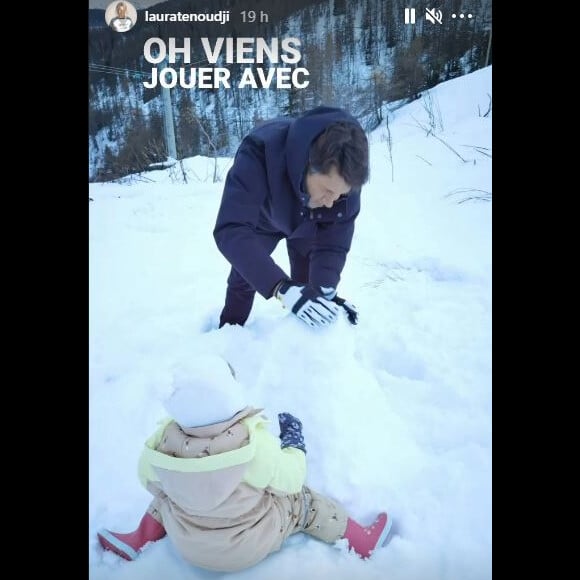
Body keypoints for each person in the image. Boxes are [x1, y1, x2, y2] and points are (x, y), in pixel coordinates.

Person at [97, 355, 393, 571]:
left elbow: (148, 481)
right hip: (250, 545)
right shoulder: (252, 444)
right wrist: (294, 444)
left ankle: (139, 538)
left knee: (168, 497)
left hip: (188, 544)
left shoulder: (162, 444)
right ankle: (361, 541)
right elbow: (290, 479)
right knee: (302, 500)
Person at [213, 106, 367, 329]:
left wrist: (325, 293)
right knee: (245, 277)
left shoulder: (345, 177)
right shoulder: (258, 152)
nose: (332, 202)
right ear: (309, 165)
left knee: (308, 294)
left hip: (310, 220)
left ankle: (300, 350)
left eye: (340, 194)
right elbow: (231, 229)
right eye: (327, 190)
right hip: (263, 219)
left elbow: (333, 244)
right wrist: (279, 286)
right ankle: (229, 333)